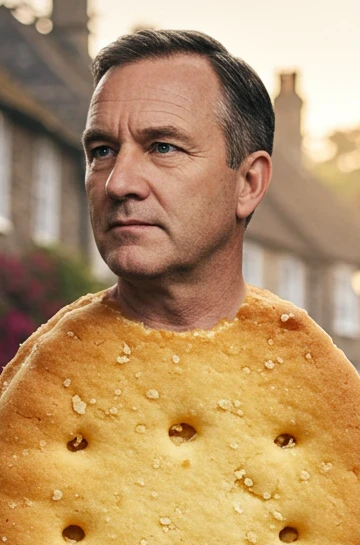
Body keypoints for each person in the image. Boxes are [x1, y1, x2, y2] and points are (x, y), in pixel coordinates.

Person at [82, 29, 274, 332]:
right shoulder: (40, 374)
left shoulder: (317, 374)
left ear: (249, 183)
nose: (117, 184)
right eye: (102, 151)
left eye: (163, 147)